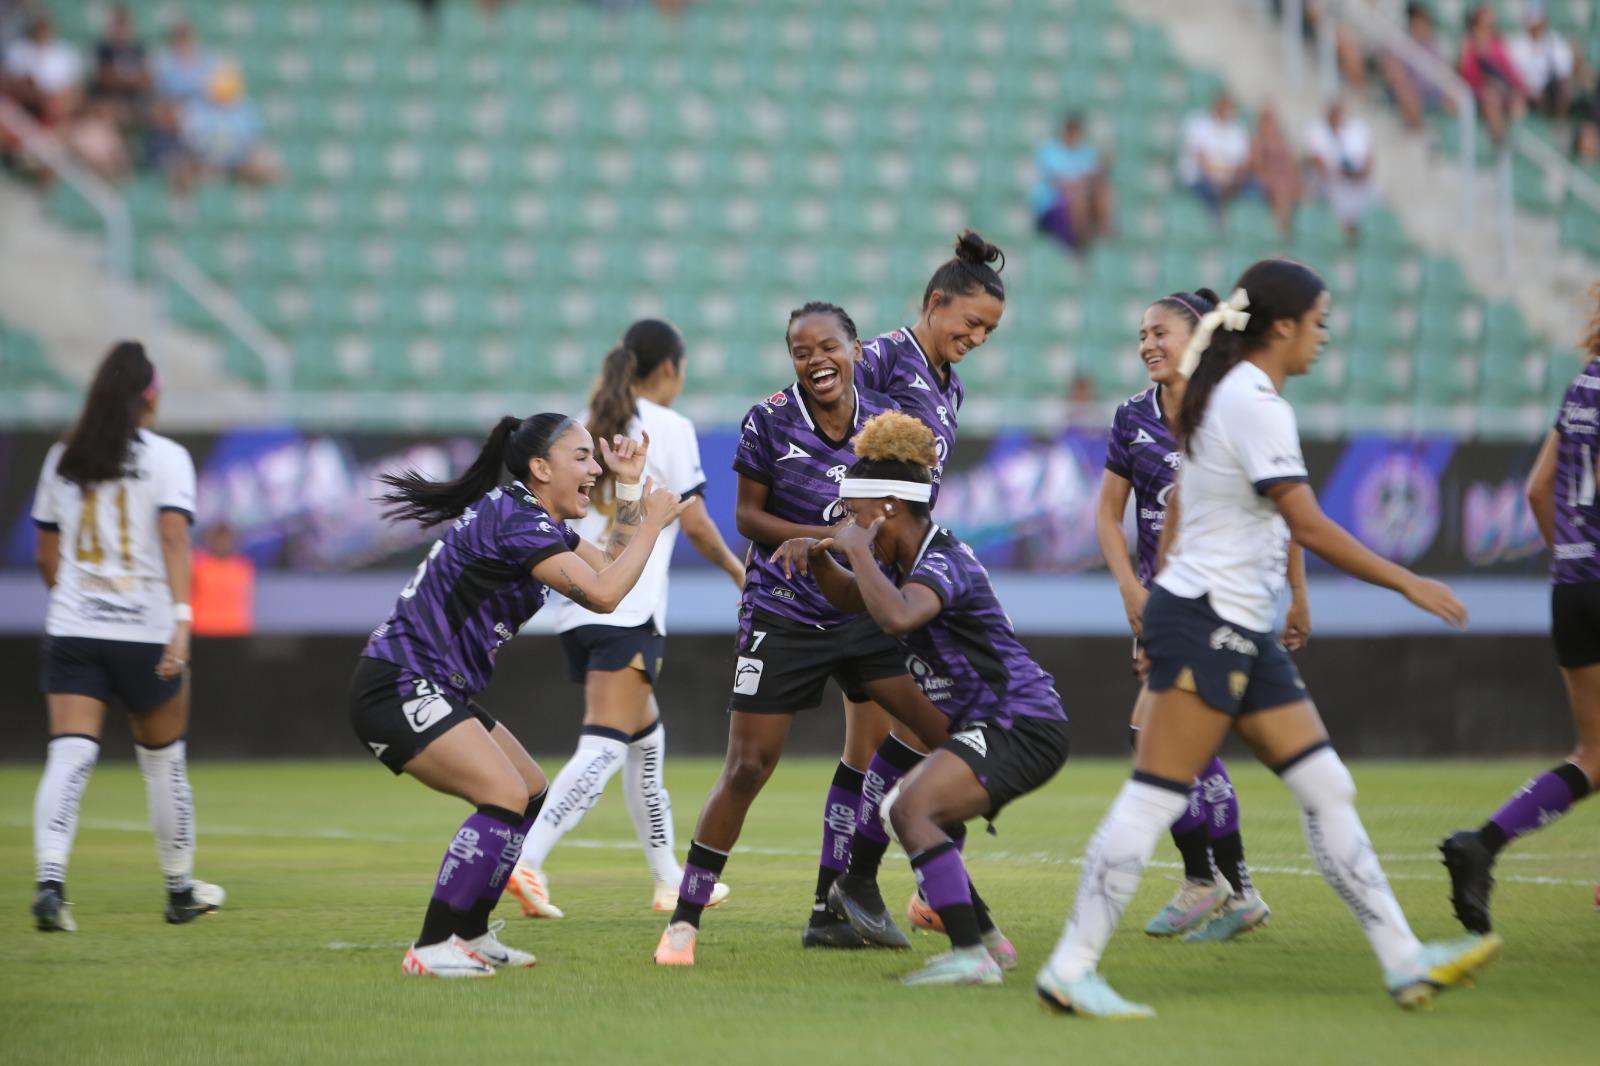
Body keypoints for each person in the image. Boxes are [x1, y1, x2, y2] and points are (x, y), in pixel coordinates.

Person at [1035, 259, 1500, 1018]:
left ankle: (1404, 959)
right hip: (1210, 621)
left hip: (1237, 622)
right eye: (1318, 322)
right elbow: (1308, 523)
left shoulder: (1231, 398)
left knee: (1325, 787)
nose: (1322, 336)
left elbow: (1186, 498)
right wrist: (1407, 581)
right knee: (1154, 796)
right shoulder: (1253, 402)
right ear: (1281, 326)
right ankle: (1070, 966)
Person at [651, 302, 951, 967]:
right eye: (801, 351)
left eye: (827, 347)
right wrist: (821, 542)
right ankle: (683, 923)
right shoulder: (767, 419)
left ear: (853, 349)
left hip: (864, 613)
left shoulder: (887, 425)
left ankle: (854, 900)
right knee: (749, 765)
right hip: (783, 616)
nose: (815, 360)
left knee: (933, 737)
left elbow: (902, 517)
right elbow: (750, 518)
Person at [356, 413, 686, 976]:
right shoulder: (519, 522)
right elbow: (607, 596)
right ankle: (431, 947)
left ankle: (472, 933)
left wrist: (630, 489)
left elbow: (608, 564)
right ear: (540, 467)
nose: (593, 469)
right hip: (400, 682)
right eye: (580, 457)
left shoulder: (530, 516)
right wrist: (653, 521)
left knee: (530, 791)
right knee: (504, 794)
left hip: (432, 683)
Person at [777, 412, 1070, 986]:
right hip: (993, 724)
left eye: (855, 513)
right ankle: (986, 943)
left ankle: (972, 956)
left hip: (1020, 721)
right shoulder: (901, 561)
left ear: (887, 506)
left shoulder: (943, 561)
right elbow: (851, 600)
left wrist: (855, 551)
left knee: (910, 810)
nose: (847, 524)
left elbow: (897, 618)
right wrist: (819, 556)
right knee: (906, 808)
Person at [504, 320, 744, 919]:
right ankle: (526, 860)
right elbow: (693, 522)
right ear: (671, 369)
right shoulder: (669, 428)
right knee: (607, 743)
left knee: (645, 744)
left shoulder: (583, 419)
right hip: (627, 604)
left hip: (575, 602)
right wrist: (743, 576)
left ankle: (670, 880)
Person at [810, 232, 1008, 950]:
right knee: (930, 735)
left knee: (886, 742)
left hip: (900, 568)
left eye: (987, 330)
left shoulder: (947, 380)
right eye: (970, 322)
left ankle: (842, 903)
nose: (977, 337)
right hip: (872, 572)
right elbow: (830, 421)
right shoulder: (884, 357)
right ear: (934, 303)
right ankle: (892, 888)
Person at [1097, 287, 1304, 943]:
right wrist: (1132, 591)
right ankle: (1223, 885)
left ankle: (1220, 884)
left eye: (1161, 332)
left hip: (1221, 596)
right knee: (1166, 738)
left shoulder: (1237, 409)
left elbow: (1288, 508)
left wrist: (1297, 594)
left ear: (1200, 338)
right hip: (1164, 604)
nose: (1148, 345)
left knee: (1165, 736)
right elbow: (1107, 514)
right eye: (1142, 335)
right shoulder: (1133, 418)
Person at [29, 341, 223, 931]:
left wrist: (81, 603)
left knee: (69, 755)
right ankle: (178, 889)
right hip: (146, 630)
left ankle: (51, 884)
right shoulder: (167, 457)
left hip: (74, 627)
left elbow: (47, 555)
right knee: (163, 762)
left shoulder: (64, 456)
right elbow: (172, 540)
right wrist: (183, 619)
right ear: (150, 398)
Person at [1439, 284, 1600, 933]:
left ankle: (1483, 845)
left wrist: (1574, 560)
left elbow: (1539, 490)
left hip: (1574, 584)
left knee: (1593, 752)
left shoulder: (1584, 381)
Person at [179, 65, 281, 186]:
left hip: (239, 162)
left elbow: (255, 139)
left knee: (268, 163)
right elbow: (191, 140)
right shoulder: (197, 108)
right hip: (205, 160)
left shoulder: (245, 108)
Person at [1031, 114, 1115, 253]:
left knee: (1103, 190)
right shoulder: (1051, 151)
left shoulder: (1086, 152)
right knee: (1077, 195)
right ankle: (1079, 242)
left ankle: (1105, 232)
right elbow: (1060, 182)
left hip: (1081, 200)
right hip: (1054, 204)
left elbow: (1095, 178)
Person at [1303, 102, 1379, 239]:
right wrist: (1341, 174)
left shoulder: (1354, 131)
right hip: (1328, 182)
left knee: (1374, 192)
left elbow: (1368, 161)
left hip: (1353, 181)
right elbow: (1318, 162)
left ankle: (1358, 234)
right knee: (1337, 193)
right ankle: (1342, 233)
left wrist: (1356, 175)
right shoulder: (1316, 131)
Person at [1458, 4, 1529, 146]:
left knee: (1517, 103)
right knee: (1492, 98)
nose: (1489, 27)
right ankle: (1500, 144)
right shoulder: (1469, 45)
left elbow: (1510, 71)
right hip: (1478, 92)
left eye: (1491, 24)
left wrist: (1521, 89)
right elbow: (1467, 76)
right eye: (1485, 23)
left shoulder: (1498, 44)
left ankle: (1515, 144)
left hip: (1499, 90)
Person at [1380, 3, 1456, 132]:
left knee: (1457, 98)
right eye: (1418, 22)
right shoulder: (1401, 44)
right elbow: (1391, 70)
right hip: (1411, 90)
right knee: (1405, 89)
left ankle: (1447, 141)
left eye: (1424, 22)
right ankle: (1419, 134)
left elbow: (1445, 74)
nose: (1422, 26)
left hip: (1433, 92)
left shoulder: (1435, 46)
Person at [1178, 92, 1252, 219]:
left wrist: (1226, 177)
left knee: (1252, 188)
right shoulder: (1199, 124)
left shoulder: (1238, 131)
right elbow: (1200, 159)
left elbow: (1241, 163)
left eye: (1230, 107)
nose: (1227, 110)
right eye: (1224, 106)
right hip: (1199, 178)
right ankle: (1218, 221)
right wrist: (1217, 177)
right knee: (1211, 191)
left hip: (1227, 179)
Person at [1506, 3, 1574, 119]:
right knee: (1516, 102)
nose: (1537, 26)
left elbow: (1563, 71)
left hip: (1548, 93)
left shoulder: (1554, 42)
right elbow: (1513, 76)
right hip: (1525, 93)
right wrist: (1531, 90)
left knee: (1563, 91)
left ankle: (1558, 124)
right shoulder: (1516, 44)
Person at [1246, 107, 1301, 237]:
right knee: (1280, 187)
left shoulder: (1281, 141)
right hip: (1265, 178)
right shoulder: (1257, 140)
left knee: (1302, 190)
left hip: (1282, 177)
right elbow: (1256, 165)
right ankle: (1280, 227)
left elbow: (1291, 164)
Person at [190, 523, 254, 637]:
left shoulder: (243, 567)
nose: (222, 544)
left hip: (235, 629)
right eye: (218, 539)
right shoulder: (198, 565)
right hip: (202, 629)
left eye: (226, 539)